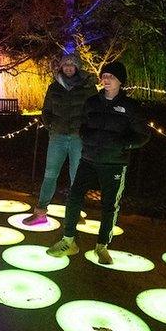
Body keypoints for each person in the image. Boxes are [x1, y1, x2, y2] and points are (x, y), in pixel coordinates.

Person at [47, 61, 150, 264]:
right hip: (89, 158)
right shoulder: (92, 102)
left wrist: (121, 145)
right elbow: (83, 125)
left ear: (121, 81)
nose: (106, 80)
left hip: (114, 163)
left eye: (111, 76)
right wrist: (87, 137)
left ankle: (102, 245)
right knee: (74, 196)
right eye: (104, 76)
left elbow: (142, 135)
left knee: (109, 205)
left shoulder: (130, 107)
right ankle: (69, 240)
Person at [24, 53, 94, 225]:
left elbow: (93, 111)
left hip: (78, 137)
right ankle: (40, 212)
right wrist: (51, 126)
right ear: (61, 67)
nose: (68, 68)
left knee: (76, 176)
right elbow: (46, 110)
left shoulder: (87, 86)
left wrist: (86, 129)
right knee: (50, 174)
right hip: (58, 136)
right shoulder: (54, 87)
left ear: (77, 67)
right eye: (65, 65)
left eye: (72, 65)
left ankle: (74, 213)